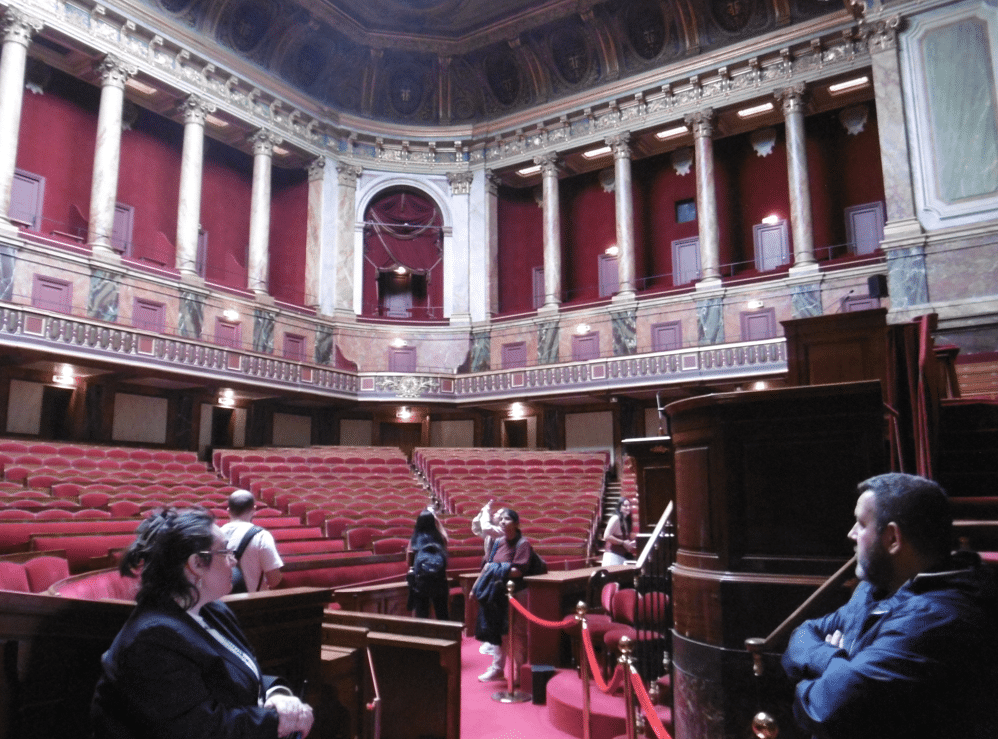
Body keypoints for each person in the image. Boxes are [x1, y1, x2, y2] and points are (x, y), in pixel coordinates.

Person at [781, 473, 998, 739]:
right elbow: (802, 633)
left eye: (861, 524)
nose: (851, 534)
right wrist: (837, 661)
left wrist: (834, 667)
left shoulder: (936, 618)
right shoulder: (874, 589)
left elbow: (824, 708)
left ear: (893, 538)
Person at [91, 507, 314, 738]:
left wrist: (278, 696)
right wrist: (277, 721)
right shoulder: (152, 640)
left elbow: (239, 679)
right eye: (226, 551)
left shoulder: (212, 609)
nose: (233, 560)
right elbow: (201, 729)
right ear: (196, 563)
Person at [472, 507, 535, 681]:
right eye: (501, 520)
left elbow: (518, 571)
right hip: (497, 592)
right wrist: (475, 587)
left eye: (506, 519)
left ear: (516, 523)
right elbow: (488, 564)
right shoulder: (497, 542)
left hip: (517, 593)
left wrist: (495, 569)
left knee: (517, 632)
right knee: (498, 631)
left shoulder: (523, 544)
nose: (502, 522)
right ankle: (497, 668)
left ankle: (518, 671)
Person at [221, 490, 283, 593]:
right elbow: (274, 580)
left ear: (228, 510)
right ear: (254, 509)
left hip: (221, 603)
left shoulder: (216, 535)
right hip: (251, 603)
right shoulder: (262, 536)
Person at [406, 508, 450, 620]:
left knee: (422, 614)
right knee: (442, 613)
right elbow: (446, 539)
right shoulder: (439, 538)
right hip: (439, 580)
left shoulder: (415, 539)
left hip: (421, 582)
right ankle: (445, 635)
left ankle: (423, 636)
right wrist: (437, 522)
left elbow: (408, 560)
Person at [601, 496, 637, 566]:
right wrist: (623, 543)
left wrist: (631, 544)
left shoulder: (627, 521)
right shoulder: (615, 518)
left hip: (621, 557)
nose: (628, 508)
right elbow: (606, 536)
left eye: (629, 505)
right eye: (625, 506)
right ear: (619, 508)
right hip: (612, 557)